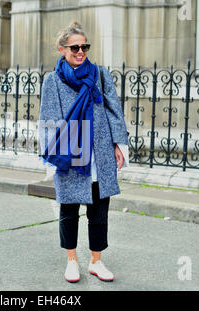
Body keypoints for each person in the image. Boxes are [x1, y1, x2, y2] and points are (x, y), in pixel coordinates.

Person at [38, 21, 129, 283]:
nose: (80, 51)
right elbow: (49, 119)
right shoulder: (53, 81)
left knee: (99, 212)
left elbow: (114, 111)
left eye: (84, 47)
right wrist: (54, 156)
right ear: (62, 49)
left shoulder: (100, 74)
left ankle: (96, 261)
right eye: (75, 47)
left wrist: (117, 145)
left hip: (100, 152)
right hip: (71, 152)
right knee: (69, 210)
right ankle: (71, 261)